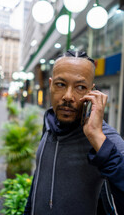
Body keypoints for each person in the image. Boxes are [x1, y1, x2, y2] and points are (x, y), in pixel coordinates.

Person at [24, 50, 124, 215]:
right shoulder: (49, 121)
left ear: (91, 91)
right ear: (50, 85)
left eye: (80, 87)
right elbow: (40, 177)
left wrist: (97, 138)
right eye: (61, 84)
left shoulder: (103, 137)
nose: (68, 96)